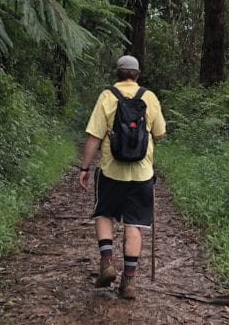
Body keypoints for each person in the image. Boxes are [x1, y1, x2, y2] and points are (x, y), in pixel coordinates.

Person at [79, 54, 166, 300]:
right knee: (134, 224)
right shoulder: (149, 97)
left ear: (117, 72)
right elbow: (159, 133)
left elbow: (94, 137)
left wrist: (84, 168)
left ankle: (107, 262)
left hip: (110, 171)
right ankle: (129, 282)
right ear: (137, 74)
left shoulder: (107, 96)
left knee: (104, 213)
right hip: (142, 174)